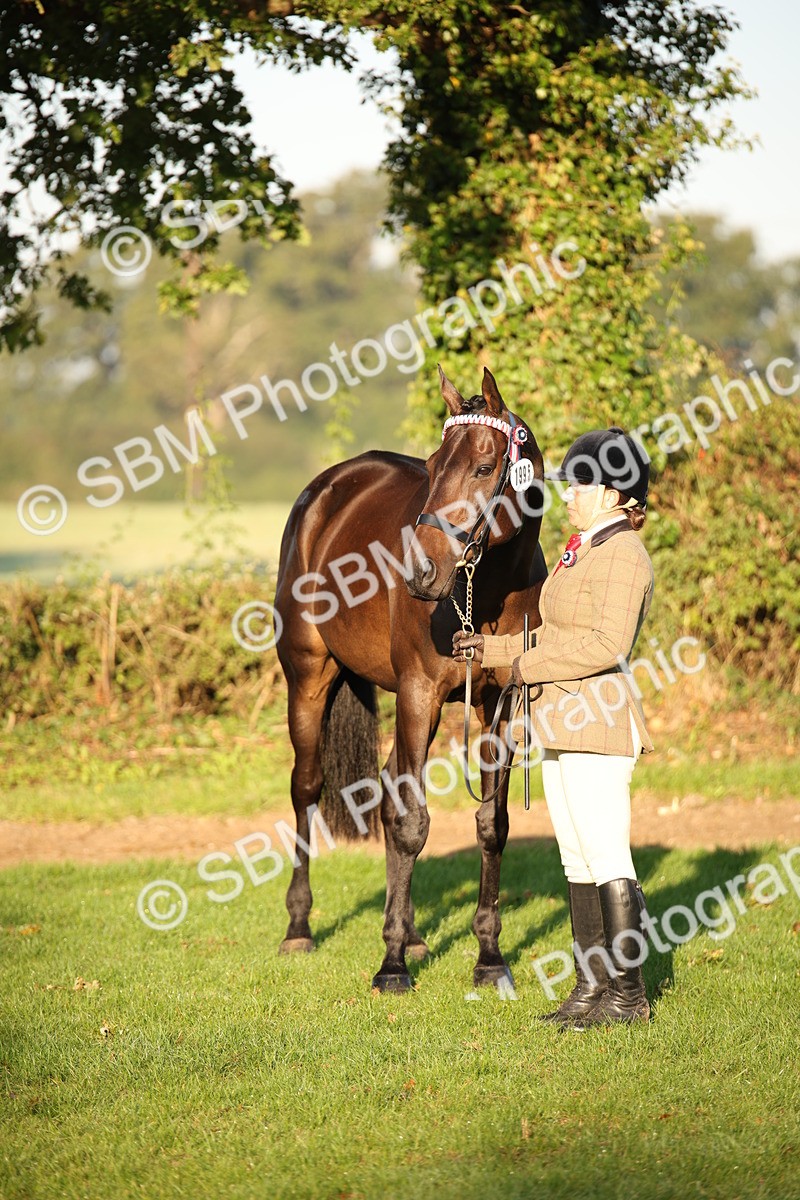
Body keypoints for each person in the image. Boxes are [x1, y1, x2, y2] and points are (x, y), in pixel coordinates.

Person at [453, 426, 654, 1028]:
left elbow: (604, 644)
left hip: (598, 720)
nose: (568, 493)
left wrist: (520, 665)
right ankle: (591, 990)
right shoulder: (585, 547)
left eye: (582, 484)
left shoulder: (623, 555)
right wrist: (487, 649)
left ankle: (628, 996)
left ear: (617, 494)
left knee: (607, 855)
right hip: (563, 721)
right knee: (576, 859)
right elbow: (557, 633)